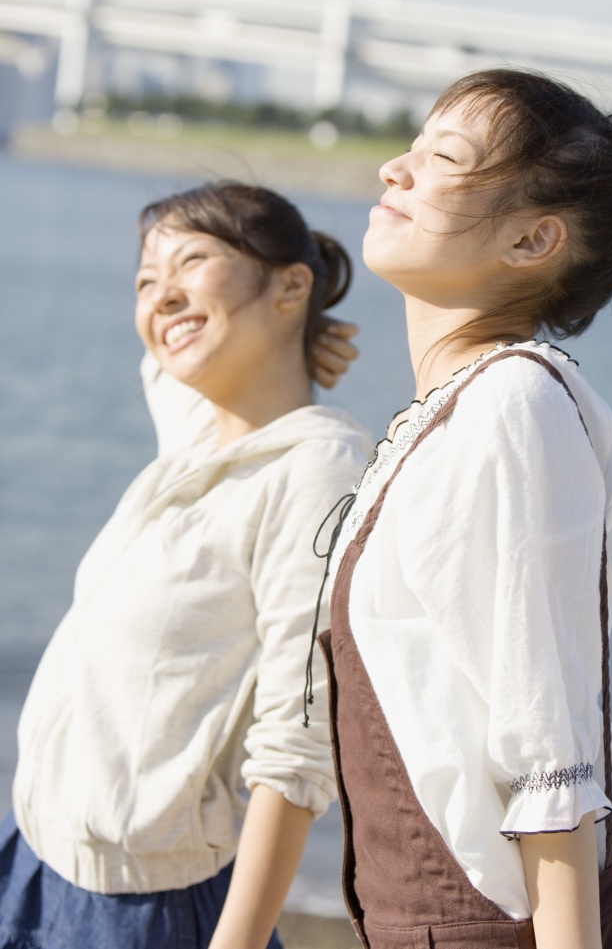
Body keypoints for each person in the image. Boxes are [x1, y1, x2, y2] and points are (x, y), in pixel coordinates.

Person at [316, 70, 612, 949]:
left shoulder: (515, 404)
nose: (396, 168)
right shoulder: (450, 411)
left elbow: (548, 745)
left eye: (442, 156)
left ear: (531, 239)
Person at [0, 181, 370, 949]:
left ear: (291, 284)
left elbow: (296, 743)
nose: (161, 292)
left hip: (144, 910)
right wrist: (285, 331)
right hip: (32, 860)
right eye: (144, 279)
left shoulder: (315, 471)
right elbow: (168, 352)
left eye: (193, 259)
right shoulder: (200, 437)